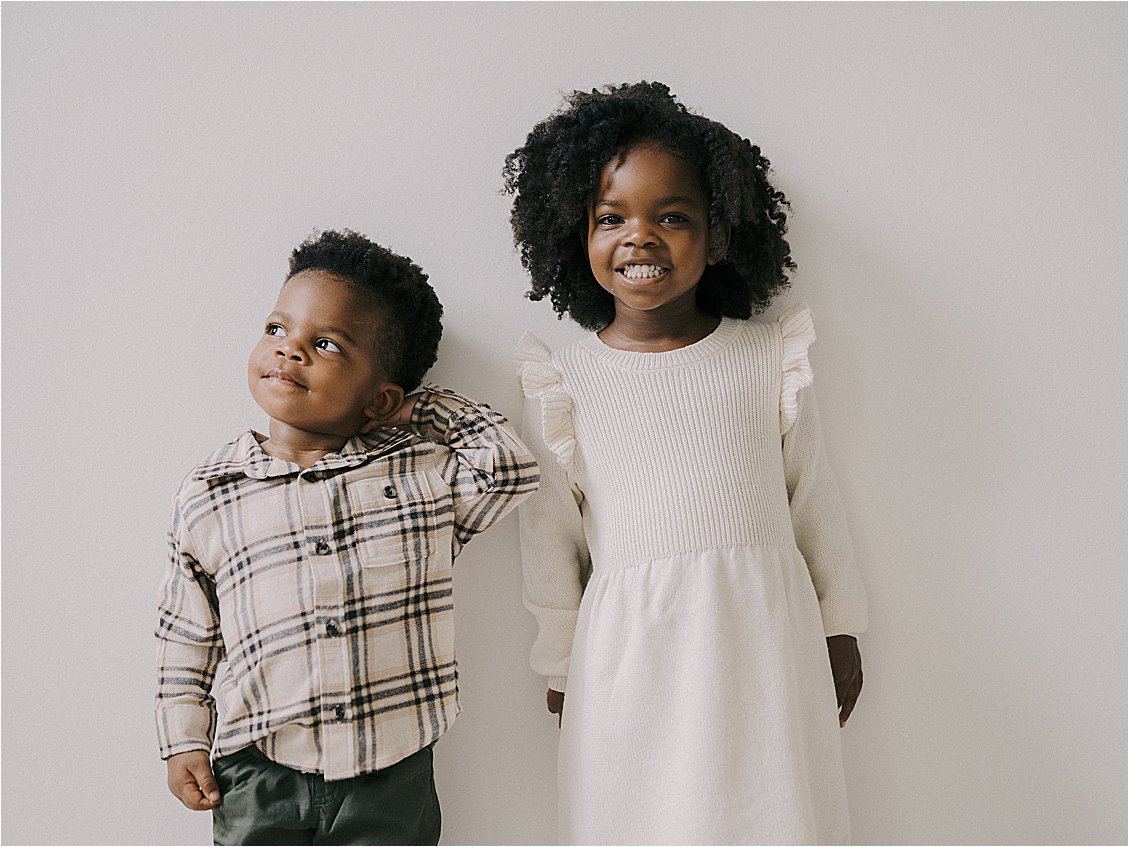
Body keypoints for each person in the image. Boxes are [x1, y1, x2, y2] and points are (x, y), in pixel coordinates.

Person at [504, 81, 869, 844]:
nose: (639, 236)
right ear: (577, 237)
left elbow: (813, 499)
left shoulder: (766, 356)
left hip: (762, 638)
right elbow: (550, 541)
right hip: (629, 657)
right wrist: (560, 663)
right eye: (611, 218)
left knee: (774, 808)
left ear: (720, 236)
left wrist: (838, 625)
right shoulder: (564, 382)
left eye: (671, 216)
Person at [155, 229, 539, 845]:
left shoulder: (416, 477)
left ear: (378, 397)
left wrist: (417, 408)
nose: (290, 352)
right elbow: (186, 636)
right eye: (277, 329)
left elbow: (509, 469)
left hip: (393, 767)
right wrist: (182, 742)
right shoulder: (211, 493)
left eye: (325, 343)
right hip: (258, 767)